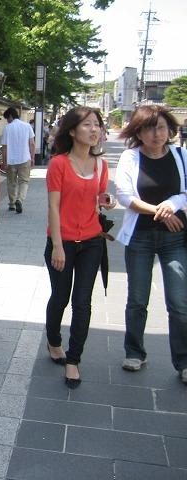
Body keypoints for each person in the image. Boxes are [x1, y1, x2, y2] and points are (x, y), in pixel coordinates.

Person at [114, 105, 187, 383]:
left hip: (175, 238)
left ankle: (183, 361)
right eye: (149, 128)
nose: (156, 134)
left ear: (170, 129)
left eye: (161, 127)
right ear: (138, 132)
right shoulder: (130, 157)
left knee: (179, 301)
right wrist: (161, 212)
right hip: (140, 237)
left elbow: (185, 192)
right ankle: (134, 352)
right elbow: (124, 196)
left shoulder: (181, 156)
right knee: (137, 299)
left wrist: (172, 204)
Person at [45, 107, 113, 389]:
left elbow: (100, 198)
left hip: (92, 242)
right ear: (72, 131)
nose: (94, 129)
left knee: (82, 301)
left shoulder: (101, 165)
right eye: (87, 125)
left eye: (97, 124)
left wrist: (107, 200)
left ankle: (73, 360)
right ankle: (53, 341)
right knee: (60, 297)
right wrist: (57, 246)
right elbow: (54, 207)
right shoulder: (58, 164)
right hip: (62, 242)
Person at [1, 107, 35, 213]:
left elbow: (4, 147)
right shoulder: (27, 126)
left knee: (11, 182)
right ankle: (20, 199)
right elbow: (32, 143)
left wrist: (4, 161)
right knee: (24, 181)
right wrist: (32, 157)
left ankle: (12, 203)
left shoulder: (7, 128)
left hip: (11, 160)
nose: (7, 121)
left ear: (11, 116)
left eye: (7, 118)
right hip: (25, 158)